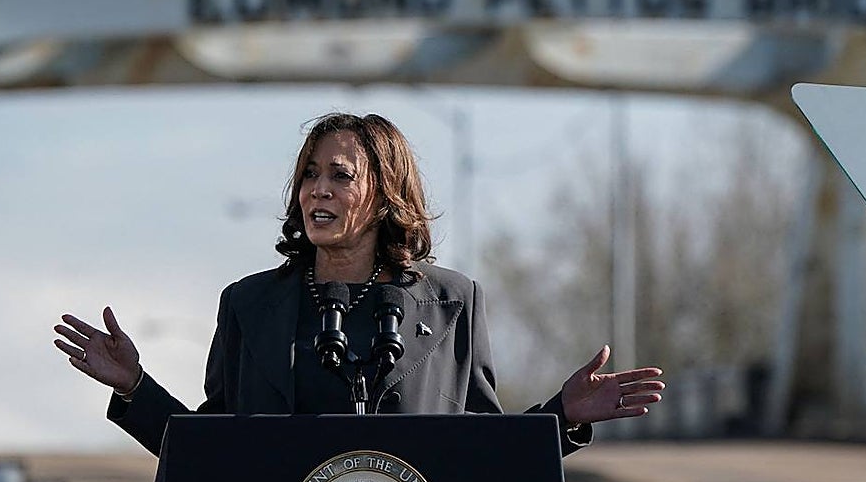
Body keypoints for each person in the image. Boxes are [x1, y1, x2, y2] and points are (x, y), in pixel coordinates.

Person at [53, 113, 664, 457]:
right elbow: (208, 453)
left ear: (385, 194)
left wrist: (563, 416)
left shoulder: (453, 303)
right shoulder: (249, 304)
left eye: (340, 176)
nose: (318, 189)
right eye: (309, 175)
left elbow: (484, 453)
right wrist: (135, 386)